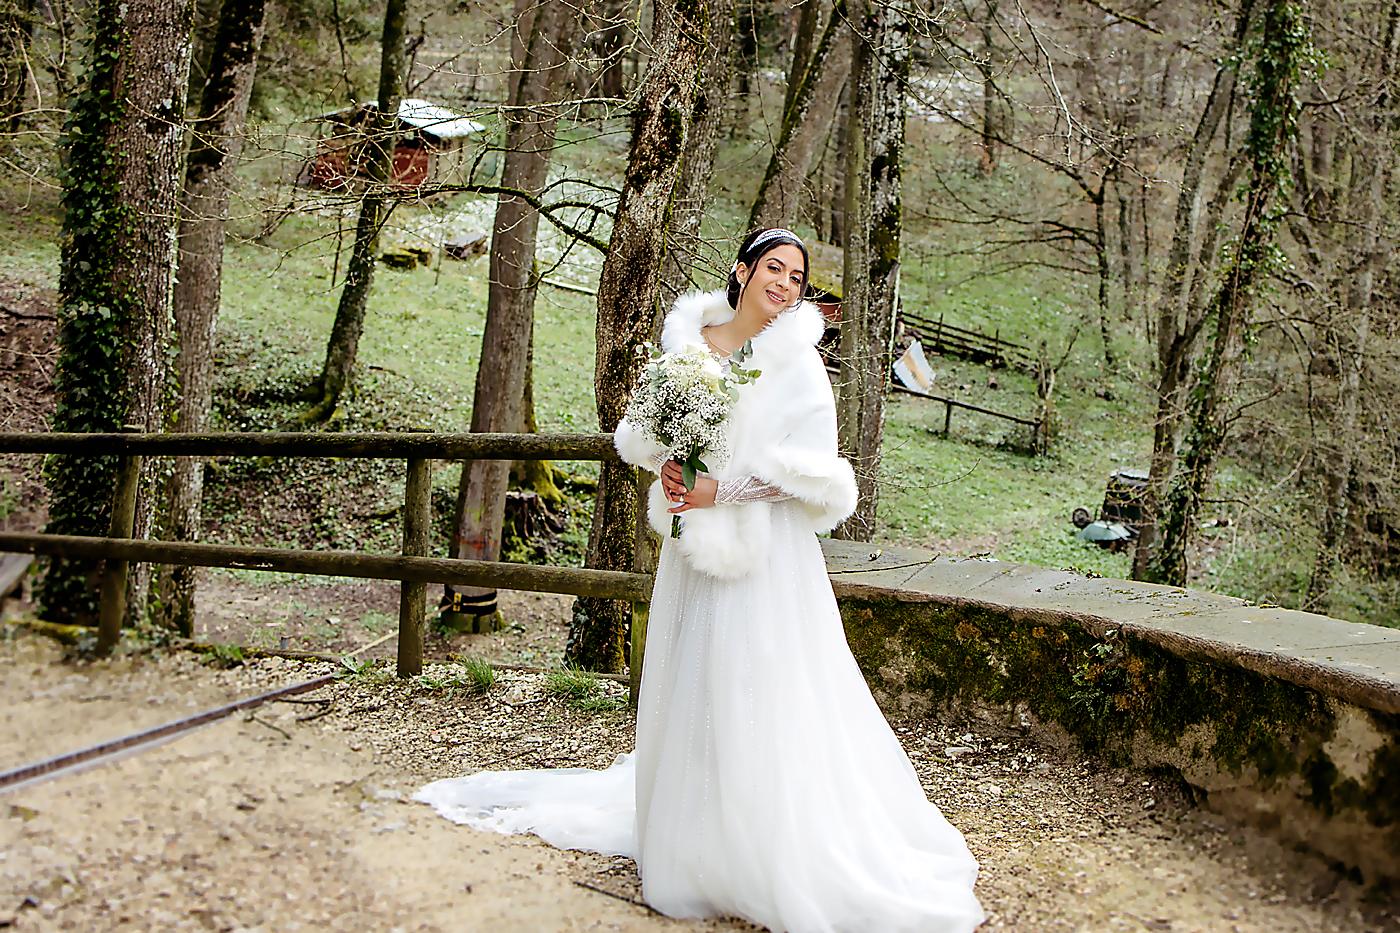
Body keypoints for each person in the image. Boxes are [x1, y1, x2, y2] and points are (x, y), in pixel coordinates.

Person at [416, 228, 986, 932]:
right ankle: (694, 835)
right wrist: (673, 469)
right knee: (696, 678)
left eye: (797, 276)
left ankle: (765, 838)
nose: (784, 282)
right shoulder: (689, 345)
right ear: (742, 272)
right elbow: (642, 433)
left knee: (760, 680)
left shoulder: (799, 364)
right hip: (692, 551)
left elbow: (811, 469)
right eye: (773, 268)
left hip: (766, 555)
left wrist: (724, 490)